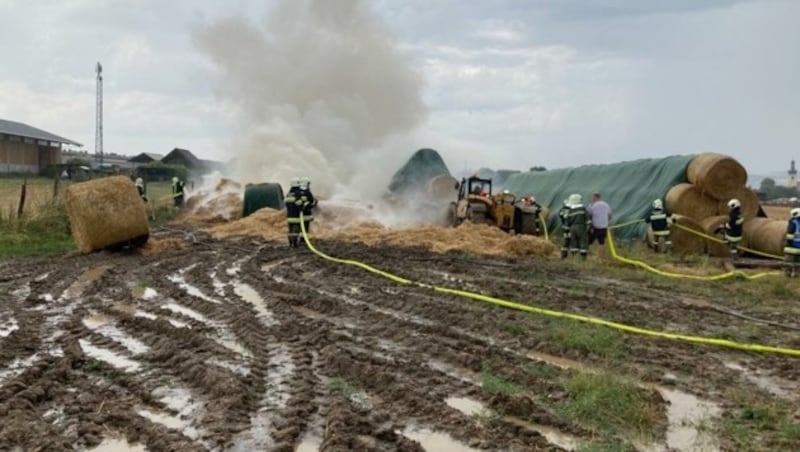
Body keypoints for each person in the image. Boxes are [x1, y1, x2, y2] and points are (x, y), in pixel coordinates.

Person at [566, 193, 590, 259]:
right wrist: (589, 226)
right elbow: (588, 218)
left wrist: (567, 229)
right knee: (583, 240)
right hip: (581, 227)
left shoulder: (570, 210)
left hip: (572, 228)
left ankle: (574, 256)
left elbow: (567, 221)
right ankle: (583, 257)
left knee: (573, 241)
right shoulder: (582, 208)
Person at [588, 192, 612, 259]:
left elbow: (589, 215)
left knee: (588, 241)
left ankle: (587, 256)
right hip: (604, 227)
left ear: (595, 197)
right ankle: (600, 258)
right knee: (601, 243)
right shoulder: (606, 205)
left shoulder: (593, 205)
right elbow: (610, 215)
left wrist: (590, 226)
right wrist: (606, 222)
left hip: (595, 227)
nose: (592, 199)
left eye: (593, 197)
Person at [284, 177, 303, 248]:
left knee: (290, 230)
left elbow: (286, 203)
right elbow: (299, 204)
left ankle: (290, 242)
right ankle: (294, 244)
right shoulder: (298, 193)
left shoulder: (288, 194)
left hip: (289, 216)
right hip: (296, 216)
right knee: (296, 230)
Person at [783, 208, 800, 277]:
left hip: (791, 248)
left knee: (788, 263)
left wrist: (788, 242)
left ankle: (787, 274)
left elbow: (789, 235)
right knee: (798, 263)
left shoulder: (793, 222)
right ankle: (796, 274)